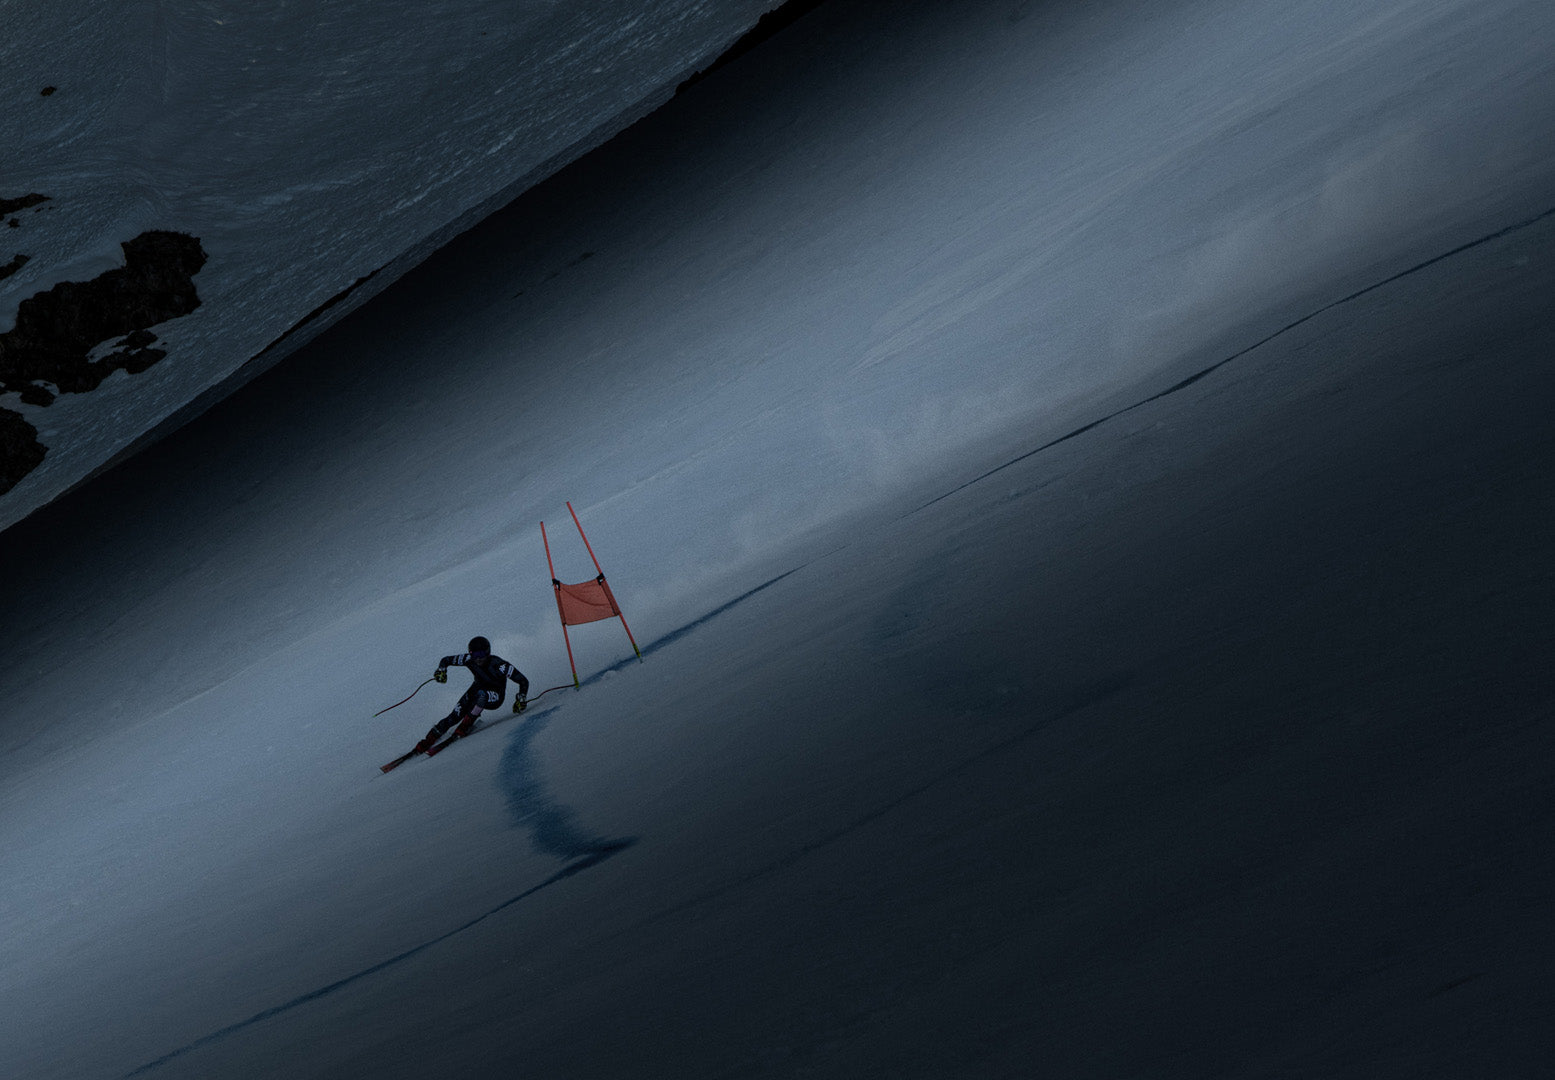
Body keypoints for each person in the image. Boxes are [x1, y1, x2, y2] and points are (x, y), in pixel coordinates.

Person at [416, 636, 529, 753]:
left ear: (488, 652)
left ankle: (465, 726)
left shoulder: (499, 665)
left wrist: (521, 698)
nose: (478, 658)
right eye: (475, 655)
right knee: (455, 715)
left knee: (482, 696)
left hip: (496, 695)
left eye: (481, 654)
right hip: (476, 689)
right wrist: (441, 670)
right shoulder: (468, 659)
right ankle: (428, 740)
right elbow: (446, 660)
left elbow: (523, 680)